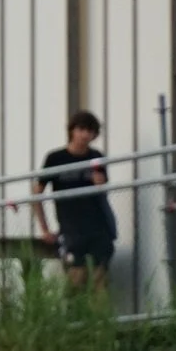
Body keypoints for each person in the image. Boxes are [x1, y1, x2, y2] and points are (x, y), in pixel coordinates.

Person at [34, 110, 117, 291]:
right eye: (81, 129)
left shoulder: (96, 157)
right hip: (71, 229)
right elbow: (36, 193)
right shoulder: (55, 158)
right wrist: (45, 229)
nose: (85, 135)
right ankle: (74, 318)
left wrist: (99, 184)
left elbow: (103, 191)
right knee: (75, 280)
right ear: (72, 130)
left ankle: (99, 318)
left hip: (98, 227)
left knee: (99, 281)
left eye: (90, 131)